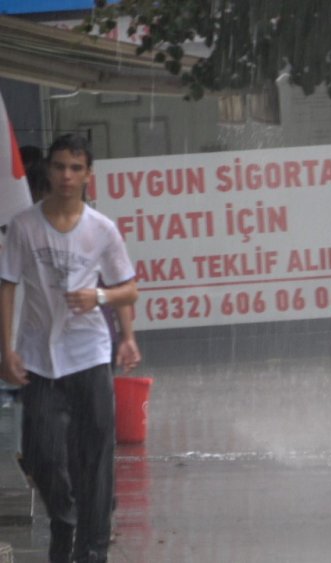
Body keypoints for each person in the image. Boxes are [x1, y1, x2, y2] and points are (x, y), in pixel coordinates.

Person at [0, 133, 141, 563]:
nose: (66, 175)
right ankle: (65, 515)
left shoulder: (102, 230)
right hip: (39, 358)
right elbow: (6, 285)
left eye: (76, 168)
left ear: (88, 176)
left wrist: (108, 312)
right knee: (41, 455)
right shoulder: (24, 225)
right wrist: (5, 350)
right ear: (49, 171)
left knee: (95, 457)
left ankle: (92, 550)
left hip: (89, 354)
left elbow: (127, 289)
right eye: (60, 166)